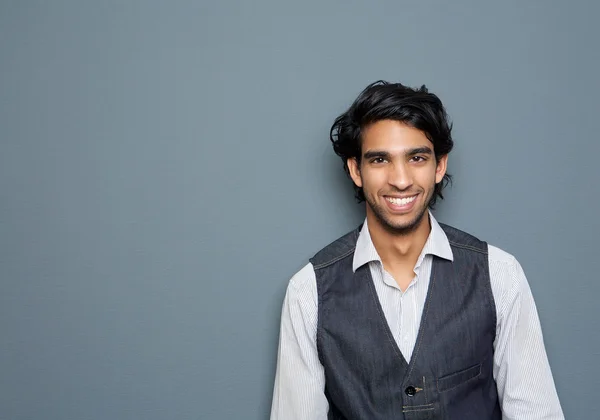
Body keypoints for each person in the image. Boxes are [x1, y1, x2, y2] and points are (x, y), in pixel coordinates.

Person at [270, 81, 564, 419]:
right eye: (380, 159)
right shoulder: (308, 292)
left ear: (439, 166)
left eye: (417, 157)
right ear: (356, 170)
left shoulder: (499, 275)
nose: (401, 179)